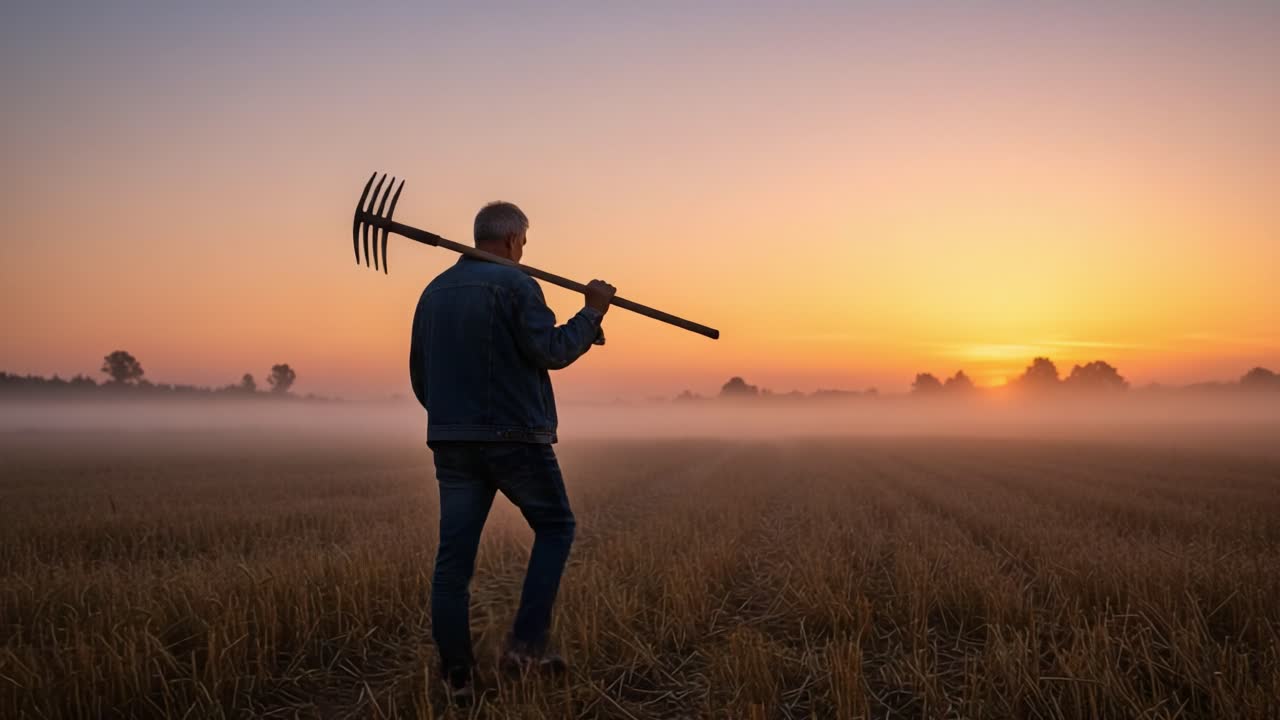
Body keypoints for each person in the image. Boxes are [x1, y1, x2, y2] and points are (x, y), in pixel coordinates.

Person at [408, 201, 614, 704]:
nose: (523, 252)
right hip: (515, 439)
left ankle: (457, 677)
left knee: (452, 565)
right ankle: (525, 649)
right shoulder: (518, 285)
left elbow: (421, 376)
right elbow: (551, 351)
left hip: (452, 442)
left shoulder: (433, 293)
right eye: (522, 243)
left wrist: (453, 421)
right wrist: (591, 311)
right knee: (557, 526)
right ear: (511, 241)